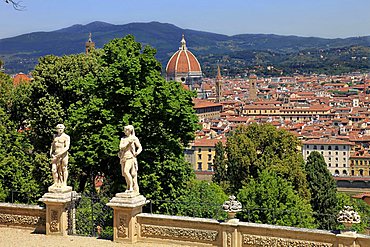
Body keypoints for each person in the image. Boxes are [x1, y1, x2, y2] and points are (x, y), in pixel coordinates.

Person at [118, 125, 142, 193]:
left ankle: (131, 186)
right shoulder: (123, 139)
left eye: (126, 130)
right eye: (124, 130)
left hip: (130, 157)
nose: (125, 131)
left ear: (130, 130)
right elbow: (121, 147)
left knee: (126, 171)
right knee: (124, 174)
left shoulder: (134, 138)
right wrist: (128, 142)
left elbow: (140, 147)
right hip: (123, 157)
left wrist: (137, 153)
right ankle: (128, 186)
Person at [50, 124, 70, 188]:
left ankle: (64, 182)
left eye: (61, 128)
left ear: (64, 129)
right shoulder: (55, 136)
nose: (60, 129)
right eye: (59, 128)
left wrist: (60, 153)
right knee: (54, 169)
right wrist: (51, 152)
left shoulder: (66, 137)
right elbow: (53, 145)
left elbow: (67, 147)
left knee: (64, 168)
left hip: (63, 155)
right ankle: (56, 182)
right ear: (57, 129)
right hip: (55, 155)